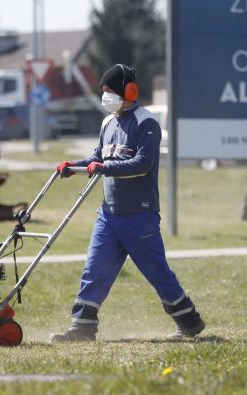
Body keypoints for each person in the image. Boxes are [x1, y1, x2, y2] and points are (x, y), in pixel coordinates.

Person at [50, 64, 205, 342]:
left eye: (109, 91)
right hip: (108, 215)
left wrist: (104, 167)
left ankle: (189, 322)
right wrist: (73, 165)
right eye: (103, 92)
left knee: (157, 272)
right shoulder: (107, 123)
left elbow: (142, 164)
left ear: (129, 91)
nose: (105, 97)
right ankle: (82, 327)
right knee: (94, 270)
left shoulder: (147, 124)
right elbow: (97, 157)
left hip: (139, 216)